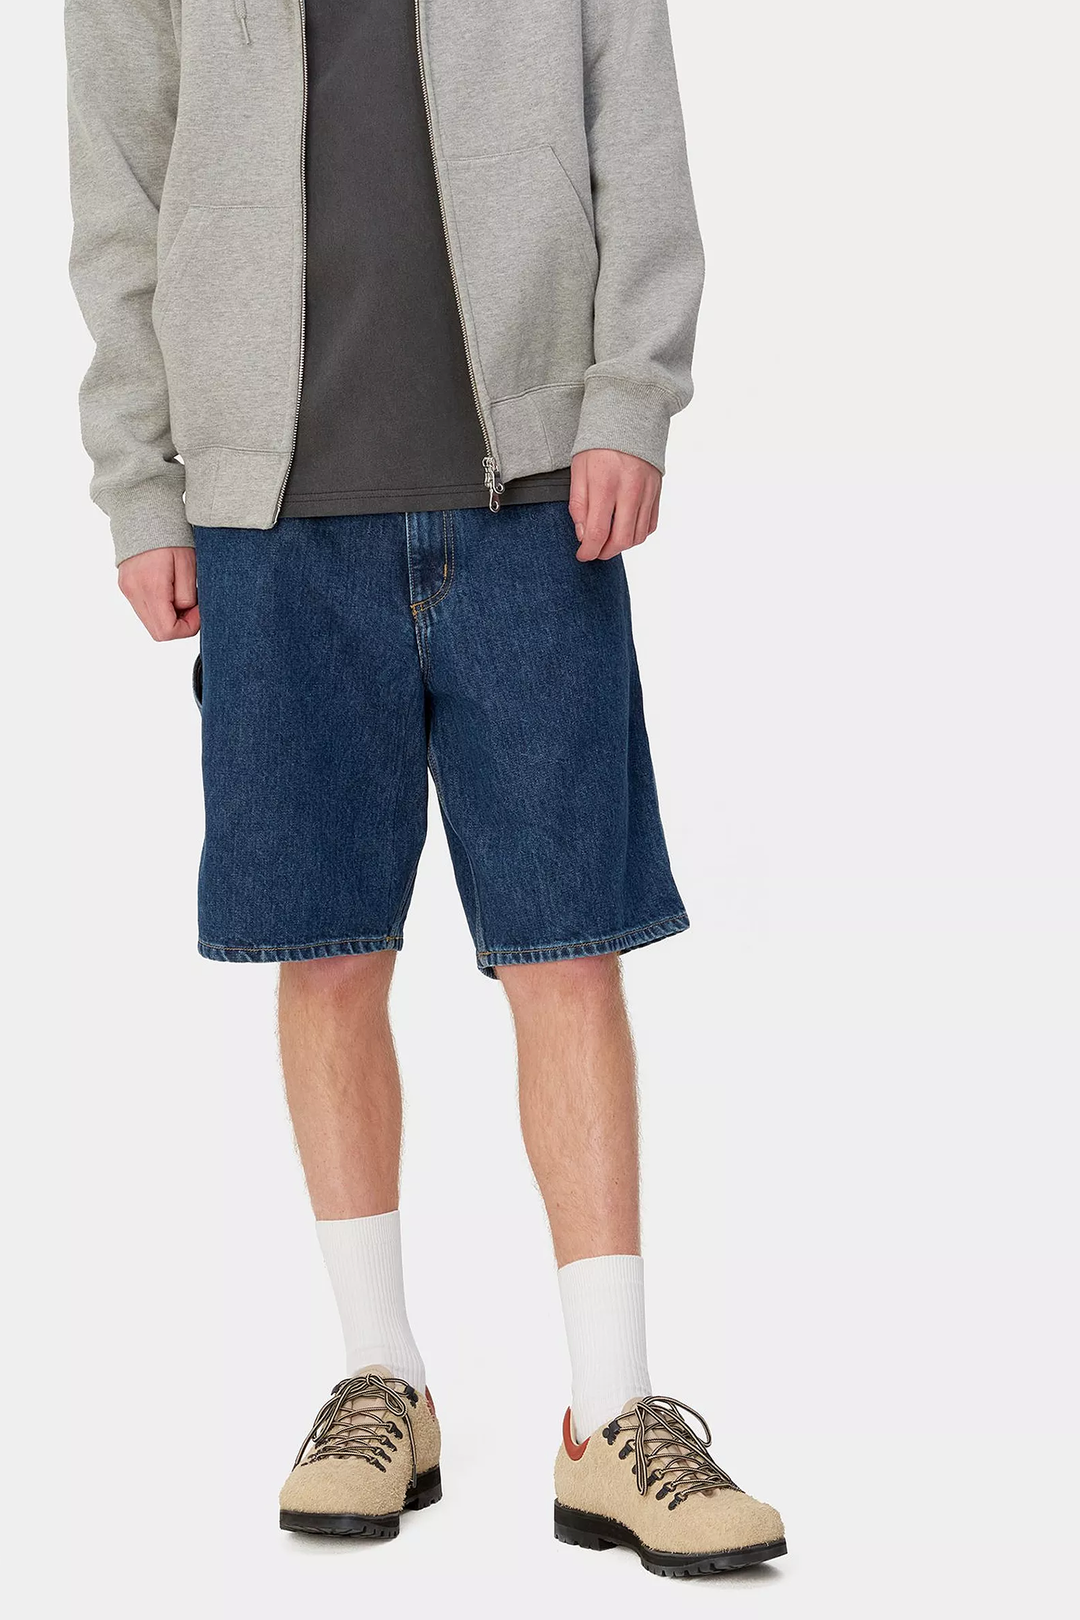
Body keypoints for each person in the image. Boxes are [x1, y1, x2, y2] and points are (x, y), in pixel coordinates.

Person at [66, 0, 785, 1578]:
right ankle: (380, 1380)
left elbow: (637, 134)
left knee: (568, 948)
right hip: (267, 515)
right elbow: (120, 195)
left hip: (532, 499)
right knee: (325, 953)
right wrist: (141, 488)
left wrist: (627, 397)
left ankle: (613, 1418)